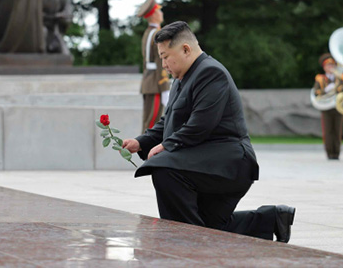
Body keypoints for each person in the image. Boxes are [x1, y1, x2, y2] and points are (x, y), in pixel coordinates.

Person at [122, 21, 296, 243]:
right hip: (204, 162)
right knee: (211, 228)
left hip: (230, 162)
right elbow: (167, 122)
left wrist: (166, 147)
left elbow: (201, 124)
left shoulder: (211, 72)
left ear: (186, 49)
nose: (163, 63)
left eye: (166, 56)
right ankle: (272, 219)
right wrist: (141, 142)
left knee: (165, 171)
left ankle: (182, 244)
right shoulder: (180, 79)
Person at [137, 0, 171, 134]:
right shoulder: (157, 33)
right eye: (159, 11)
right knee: (153, 123)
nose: (161, 14)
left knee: (148, 121)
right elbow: (160, 60)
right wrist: (164, 86)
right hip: (155, 83)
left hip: (148, 81)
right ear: (154, 14)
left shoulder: (148, 33)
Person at [313, 53, 342, 159]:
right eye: (328, 66)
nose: (331, 68)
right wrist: (325, 90)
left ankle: (337, 152)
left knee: (337, 131)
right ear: (324, 67)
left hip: (337, 107)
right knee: (328, 131)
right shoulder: (320, 79)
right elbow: (316, 92)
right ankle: (330, 153)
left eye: (332, 65)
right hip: (326, 107)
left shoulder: (339, 78)